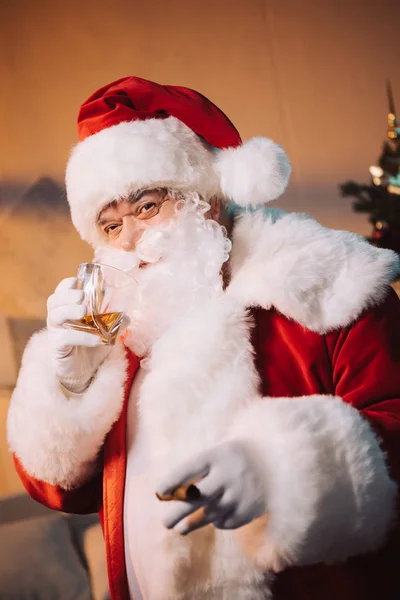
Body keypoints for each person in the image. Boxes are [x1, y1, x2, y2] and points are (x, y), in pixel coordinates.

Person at [7, 76, 400, 600]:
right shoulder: (116, 333)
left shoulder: (327, 282)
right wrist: (68, 385)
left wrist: (282, 468)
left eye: (147, 206)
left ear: (207, 198)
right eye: (110, 226)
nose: (133, 241)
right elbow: (61, 491)